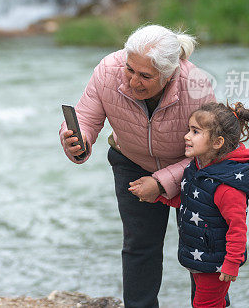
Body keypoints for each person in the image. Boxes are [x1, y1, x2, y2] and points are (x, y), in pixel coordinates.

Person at [60, 24, 216, 307]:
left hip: (193, 170)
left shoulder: (197, 85)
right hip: (132, 162)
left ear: (169, 75)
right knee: (139, 247)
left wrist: (161, 183)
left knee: (201, 249)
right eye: (130, 70)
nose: (133, 81)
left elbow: (207, 153)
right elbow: (85, 117)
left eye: (145, 76)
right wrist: (77, 138)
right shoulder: (108, 69)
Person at [141, 102, 249, 308]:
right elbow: (191, 200)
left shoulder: (227, 187)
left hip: (216, 263)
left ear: (217, 142)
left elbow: (238, 228)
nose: (186, 136)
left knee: (205, 305)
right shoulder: (198, 167)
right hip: (202, 257)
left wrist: (231, 264)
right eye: (189, 129)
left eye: (195, 131)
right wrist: (159, 197)